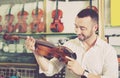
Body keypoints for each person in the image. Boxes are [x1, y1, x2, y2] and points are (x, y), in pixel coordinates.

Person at [25, 8, 118, 78]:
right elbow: (50, 69)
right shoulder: (69, 46)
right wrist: (35, 51)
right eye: (76, 26)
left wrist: (83, 72)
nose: (77, 32)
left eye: (82, 28)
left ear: (95, 28)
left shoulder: (108, 51)